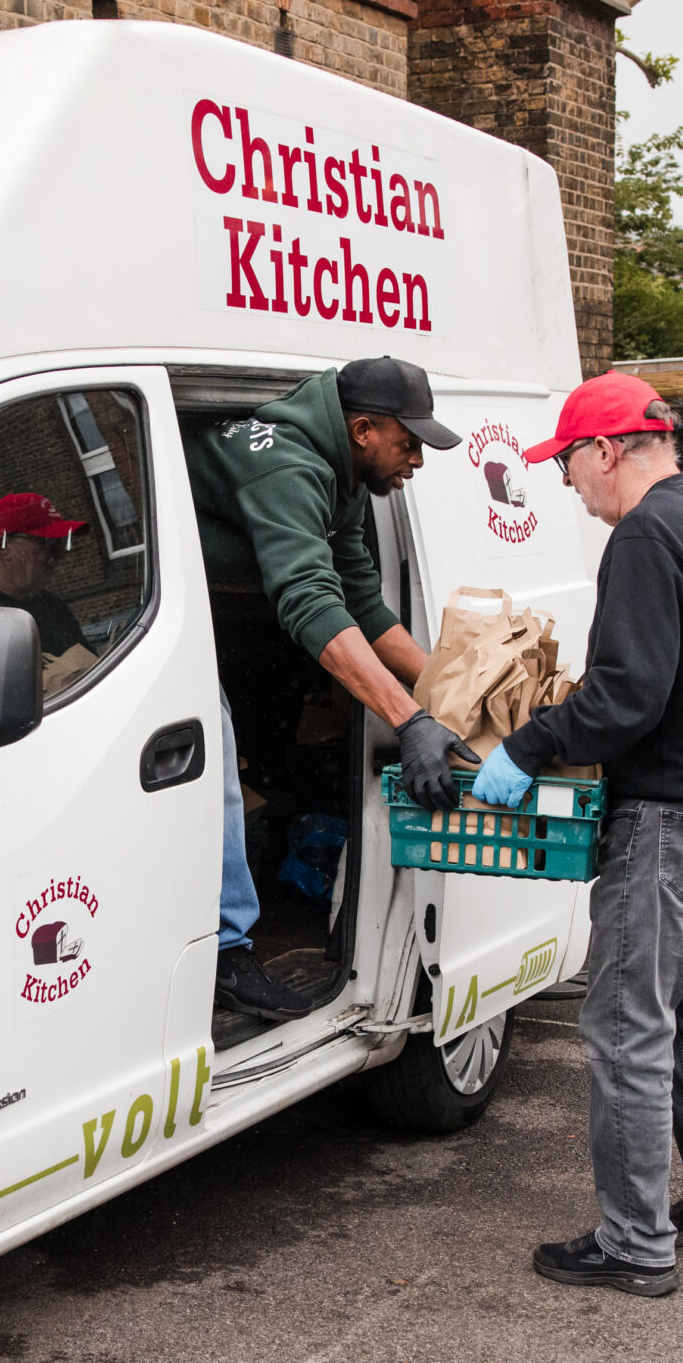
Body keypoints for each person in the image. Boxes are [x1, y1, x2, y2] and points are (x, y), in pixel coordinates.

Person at [469, 372, 683, 1298]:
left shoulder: (646, 535)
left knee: (627, 1032)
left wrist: (527, 746)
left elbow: (627, 697)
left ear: (607, 450)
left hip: (675, 822)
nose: (567, 484)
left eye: (569, 464)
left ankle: (636, 1244)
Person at [187, 356, 475, 1023]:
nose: (417, 462)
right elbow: (311, 605)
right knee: (211, 746)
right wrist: (409, 721)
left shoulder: (344, 478)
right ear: (365, 429)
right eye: (410, 444)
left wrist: (454, 691)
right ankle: (228, 952)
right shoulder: (290, 467)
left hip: (200, 612)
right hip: (134, 608)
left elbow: (364, 606)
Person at [0, 492, 89, 655]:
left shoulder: (52, 606)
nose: (59, 554)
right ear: (3, 547)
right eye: (50, 543)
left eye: (62, 542)